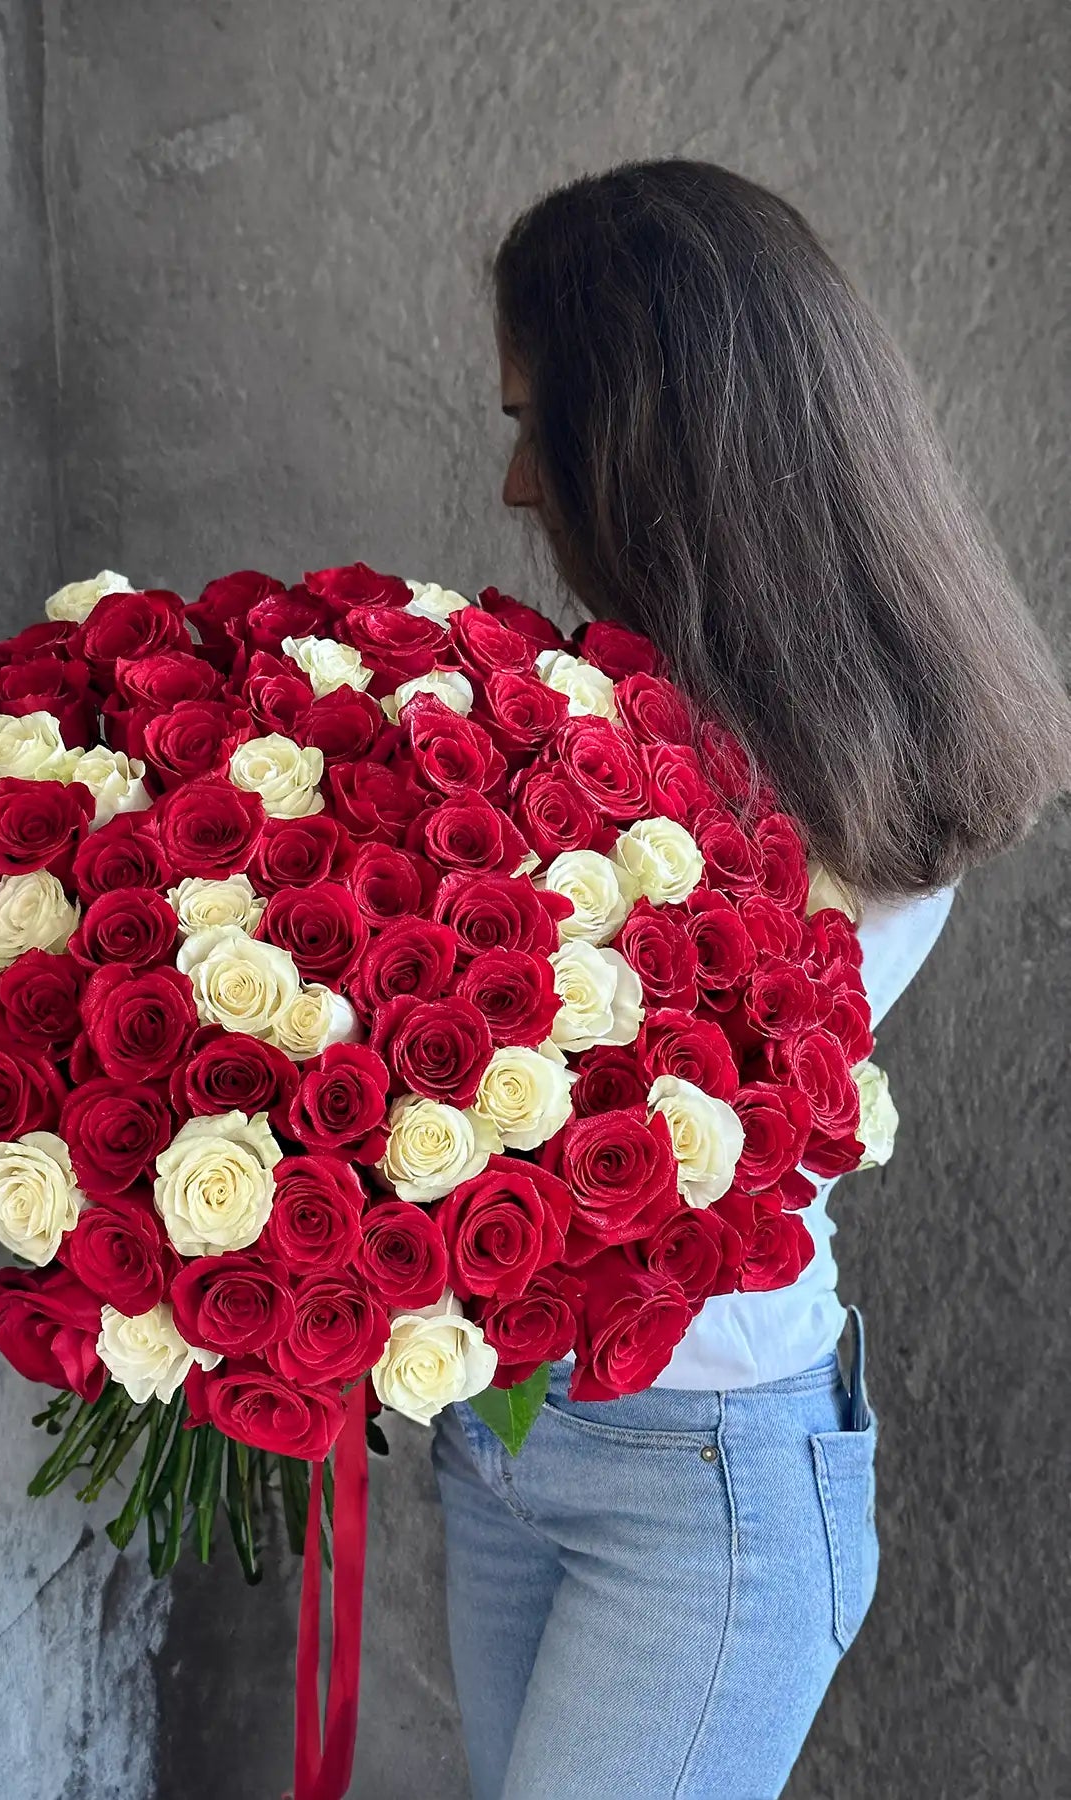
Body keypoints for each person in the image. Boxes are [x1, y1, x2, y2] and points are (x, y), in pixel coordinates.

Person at [430, 160, 1071, 1800]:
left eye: (536, 423)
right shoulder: (585, 709)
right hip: (499, 1435)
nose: (512, 483)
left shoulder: (848, 791)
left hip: (694, 1477)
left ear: (649, 447)